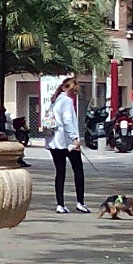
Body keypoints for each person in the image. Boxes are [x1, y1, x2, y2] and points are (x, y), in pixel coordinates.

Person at [46, 77, 89, 214]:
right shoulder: (66, 101)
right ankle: (80, 202)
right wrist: (74, 138)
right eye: (73, 91)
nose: (74, 94)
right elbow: (68, 120)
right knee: (78, 170)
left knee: (60, 172)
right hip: (67, 142)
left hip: (54, 141)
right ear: (66, 89)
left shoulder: (55, 100)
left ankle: (60, 204)